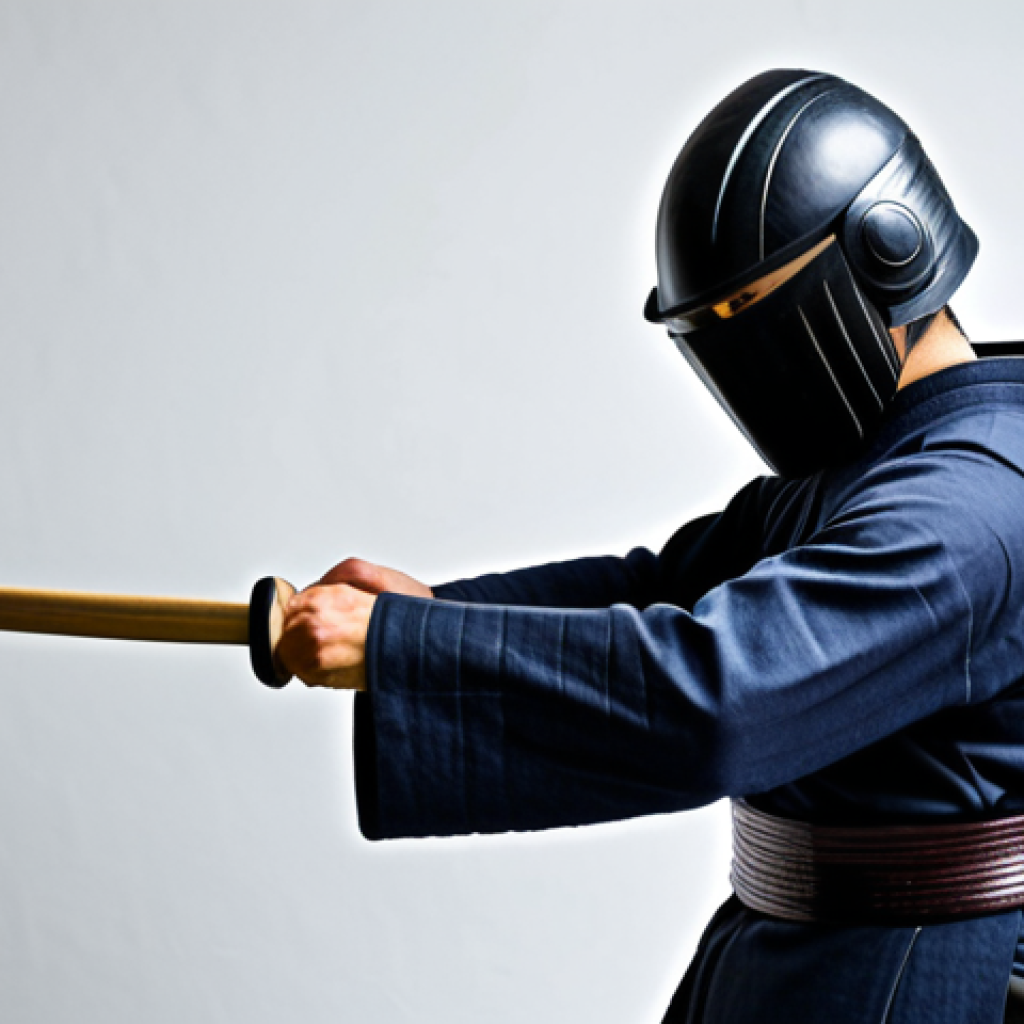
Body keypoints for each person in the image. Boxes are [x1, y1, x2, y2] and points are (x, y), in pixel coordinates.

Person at [276, 70, 1024, 1023]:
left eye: (746, 310)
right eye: (706, 328)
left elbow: (718, 692)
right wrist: (429, 613)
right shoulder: (882, 465)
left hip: (911, 981)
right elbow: (666, 587)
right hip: (790, 953)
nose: (734, 352)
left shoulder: (974, 504)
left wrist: (398, 650)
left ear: (886, 249)